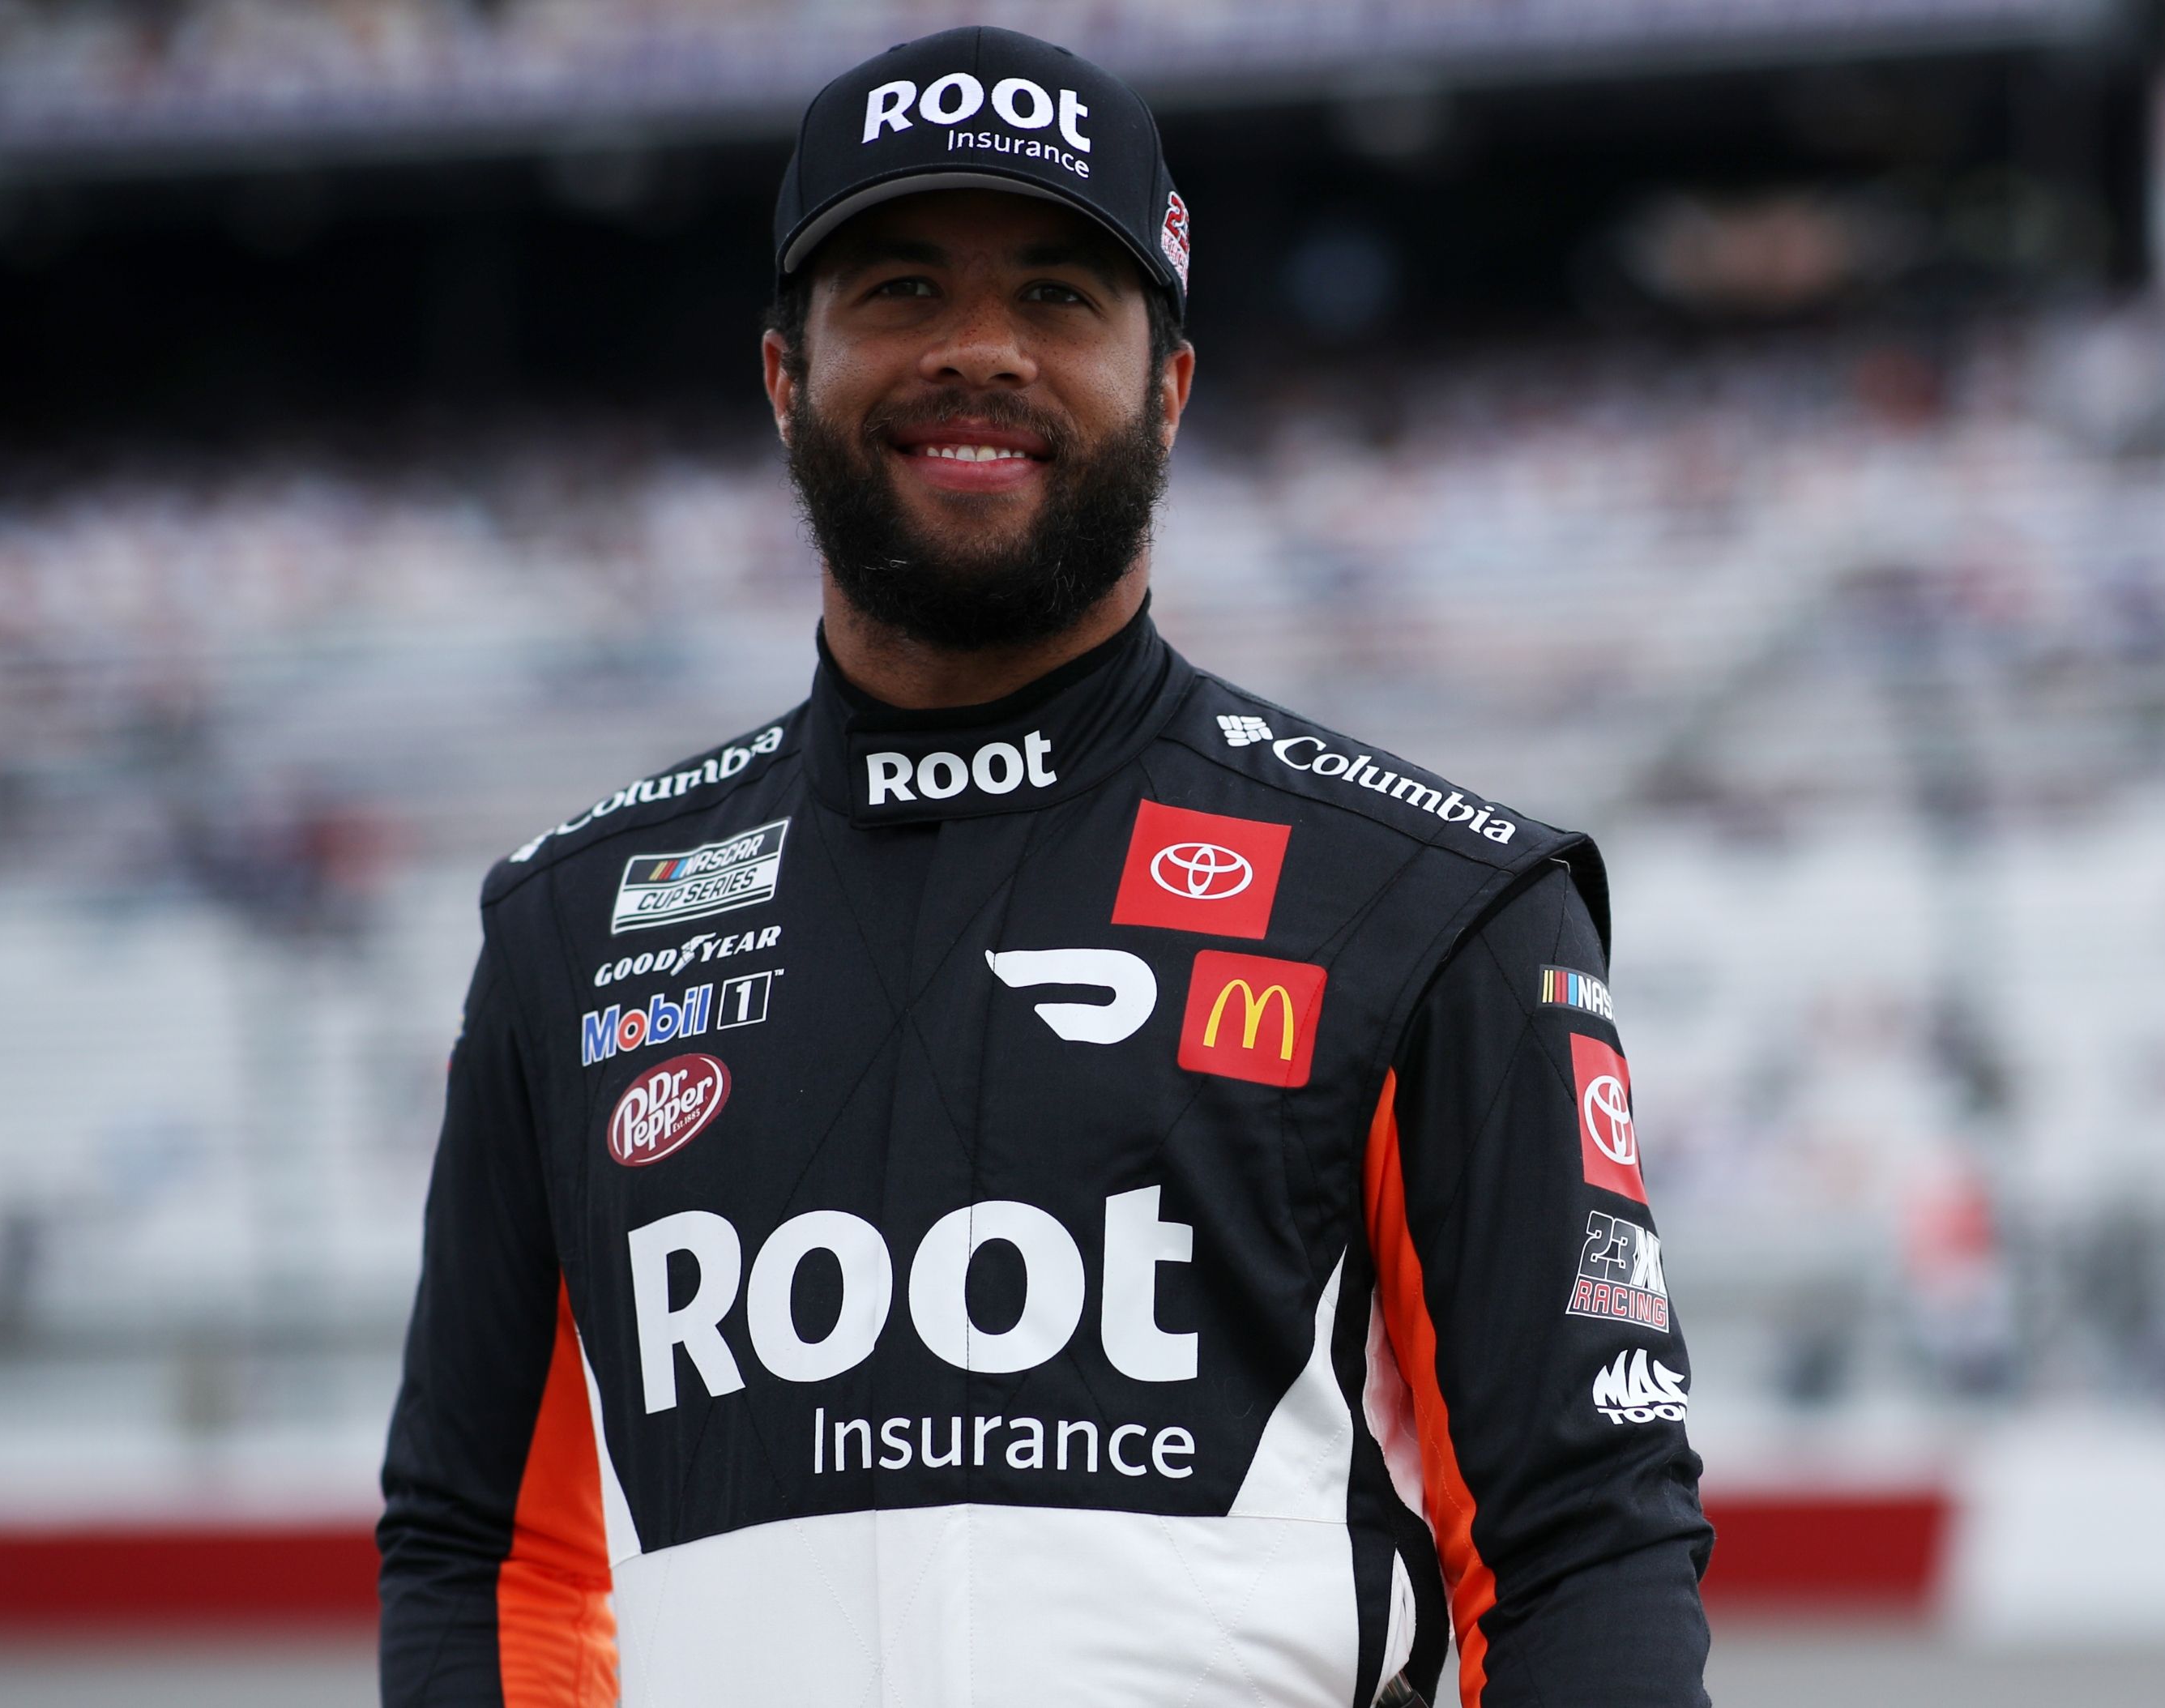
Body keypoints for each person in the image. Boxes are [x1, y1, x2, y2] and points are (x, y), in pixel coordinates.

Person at [376, 27, 1709, 1708]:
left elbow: (1582, 1544)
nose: (978, 353)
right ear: (785, 375)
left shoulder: (1431, 905)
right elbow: (488, 1554)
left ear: (1170, 385)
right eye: (901, 291)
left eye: (1062, 299)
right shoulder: (570, 932)